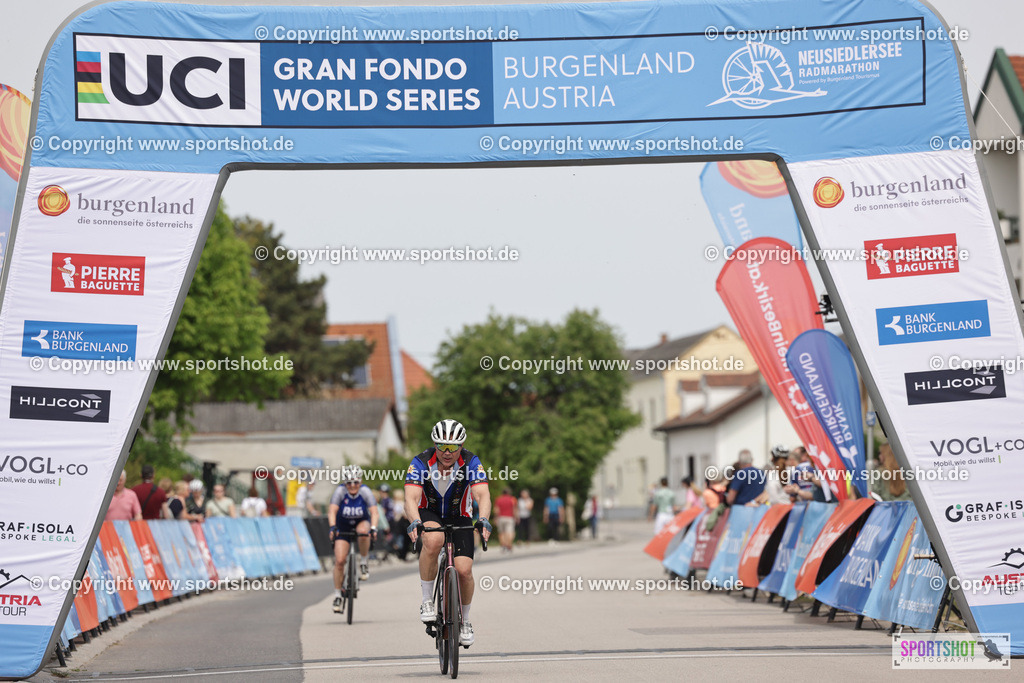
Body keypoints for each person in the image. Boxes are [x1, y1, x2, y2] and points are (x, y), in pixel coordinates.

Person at [405, 419, 491, 648]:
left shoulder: (471, 462)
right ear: (435, 444)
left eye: (453, 447)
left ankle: (466, 620)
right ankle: (427, 600)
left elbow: (482, 494)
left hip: (459, 515)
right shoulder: (421, 462)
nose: (447, 452)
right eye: (442, 446)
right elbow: (411, 497)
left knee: (464, 570)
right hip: (429, 511)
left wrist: (483, 519)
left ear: (461, 446)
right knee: (434, 539)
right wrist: (415, 521)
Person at [328, 466, 379, 612]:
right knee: (339, 561)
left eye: (355, 482)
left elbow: (374, 512)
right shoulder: (340, 491)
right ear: (344, 483)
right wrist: (332, 527)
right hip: (343, 527)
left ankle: (363, 562)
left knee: (363, 532)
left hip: (361, 523)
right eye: (349, 483)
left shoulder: (365, 491)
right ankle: (337, 595)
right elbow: (332, 511)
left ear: (360, 482)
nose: (352, 486)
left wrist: (373, 528)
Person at [494, 488, 517, 553]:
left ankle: (503, 545)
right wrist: (516, 517)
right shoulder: (513, 499)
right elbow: (514, 509)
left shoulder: (498, 499)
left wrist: (496, 517)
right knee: (510, 532)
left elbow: (496, 510)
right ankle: (508, 544)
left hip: (501, 517)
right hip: (510, 517)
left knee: (501, 532)